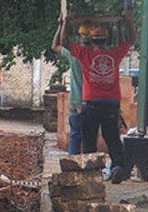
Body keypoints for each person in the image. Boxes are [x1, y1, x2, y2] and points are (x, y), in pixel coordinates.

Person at [56, 12, 135, 184]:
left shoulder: (85, 54)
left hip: (91, 103)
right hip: (111, 104)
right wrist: (125, 23)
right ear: (107, 40)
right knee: (113, 139)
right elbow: (129, 41)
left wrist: (66, 23)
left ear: (91, 40)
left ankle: (91, 173)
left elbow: (62, 43)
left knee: (89, 140)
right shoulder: (114, 55)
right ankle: (117, 168)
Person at [51, 23, 90, 155]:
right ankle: (89, 166)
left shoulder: (75, 54)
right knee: (89, 138)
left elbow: (55, 46)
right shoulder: (97, 55)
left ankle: (72, 166)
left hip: (75, 101)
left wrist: (61, 25)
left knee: (75, 135)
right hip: (92, 102)